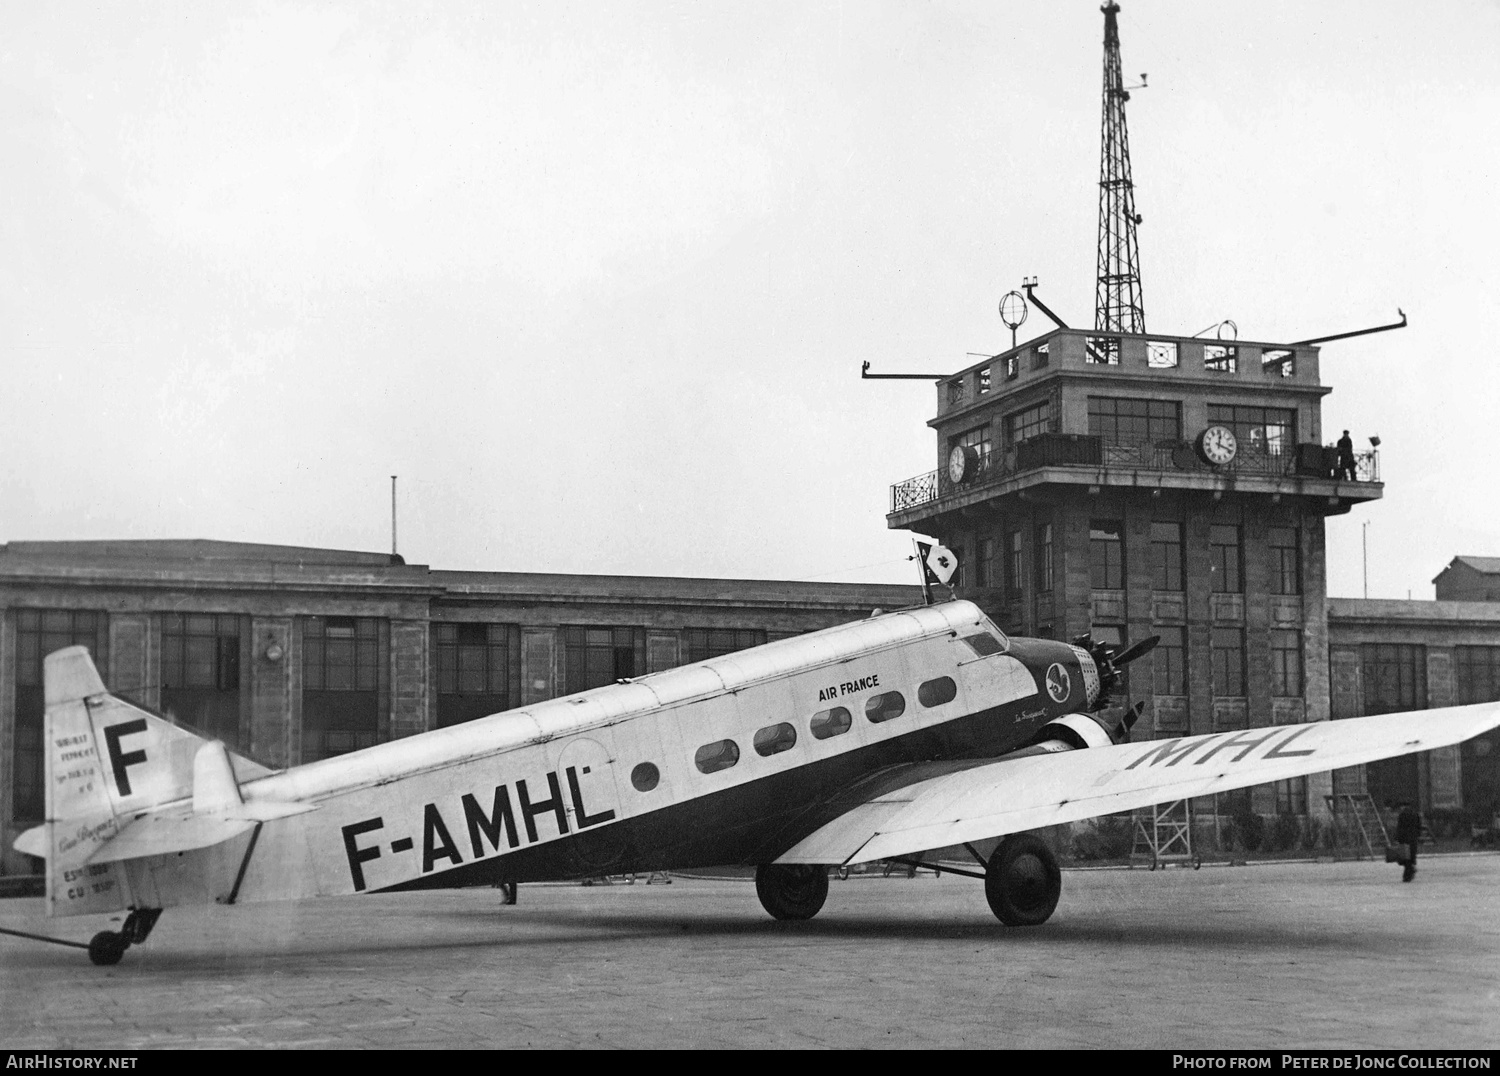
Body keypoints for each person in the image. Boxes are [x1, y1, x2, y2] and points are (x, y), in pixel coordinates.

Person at [1395, 801, 1422, 882]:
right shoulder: (1415, 814)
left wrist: (1397, 838)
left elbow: (1400, 827)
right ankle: (1410, 872)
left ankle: (1407, 875)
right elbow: (1419, 826)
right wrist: (1417, 835)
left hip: (1405, 839)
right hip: (1413, 838)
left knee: (1405, 857)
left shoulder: (1402, 815)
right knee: (1411, 856)